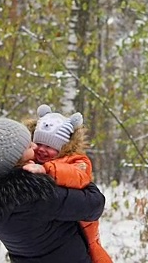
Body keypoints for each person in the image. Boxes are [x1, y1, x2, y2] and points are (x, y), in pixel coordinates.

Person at [0, 114, 105, 263]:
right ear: (15, 159)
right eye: (27, 146)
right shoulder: (35, 195)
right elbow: (94, 204)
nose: (34, 145)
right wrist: (63, 171)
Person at [22, 104, 113, 263]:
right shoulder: (31, 158)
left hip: (83, 223)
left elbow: (78, 176)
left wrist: (47, 169)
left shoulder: (77, 160)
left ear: (63, 148)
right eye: (39, 144)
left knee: (94, 250)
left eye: (50, 146)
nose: (42, 150)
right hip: (52, 230)